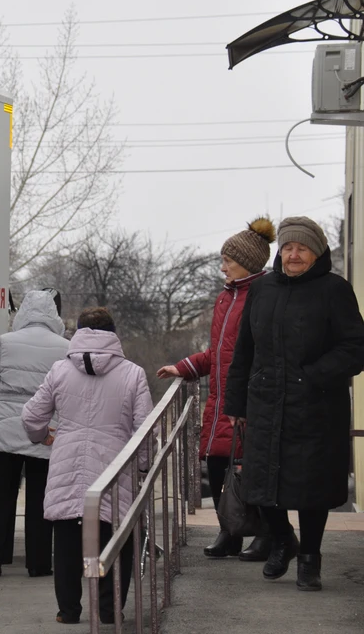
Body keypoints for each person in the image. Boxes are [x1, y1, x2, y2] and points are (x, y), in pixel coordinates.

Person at [224, 216, 364, 591]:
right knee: (261, 482)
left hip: (316, 405)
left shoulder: (335, 290)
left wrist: (314, 375)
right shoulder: (263, 289)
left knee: (310, 485)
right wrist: (235, 403)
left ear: (316, 253)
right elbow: (244, 349)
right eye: (287, 247)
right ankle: (283, 539)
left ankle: (309, 559)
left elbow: (355, 348)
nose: (294, 254)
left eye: (302, 248)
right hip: (266, 401)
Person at [22, 307, 153, 626]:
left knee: (66, 540)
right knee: (113, 538)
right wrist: (144, 465)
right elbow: (145, 428)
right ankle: (109, 610)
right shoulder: (133, 373)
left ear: (77, 332)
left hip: (67, 461)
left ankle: (68, 612)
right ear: (114, 333)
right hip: (115, 466)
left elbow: (30, 417)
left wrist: (43, 436)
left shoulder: (59, 370)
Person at [157, 217, 275, 561]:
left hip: (248, 402)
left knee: (250, 471)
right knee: (222, 468)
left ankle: (264, 532)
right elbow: (218, 353)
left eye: (228, 260)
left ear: (248, 263)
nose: (222, 267)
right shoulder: (226, 298)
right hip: (221, 400)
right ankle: (230, 531)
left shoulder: (260, 297)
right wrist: (184, 367)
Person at [0, 290, 69, 578]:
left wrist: (8, 401)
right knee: (39, 496)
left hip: (6, 425)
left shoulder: (6, 342)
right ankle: (38, 562)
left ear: (23, 312)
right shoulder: (64, 346)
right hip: (44, 428)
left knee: (2, 495)